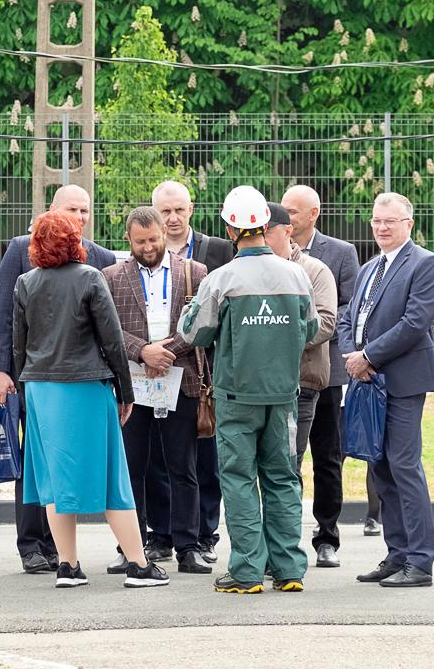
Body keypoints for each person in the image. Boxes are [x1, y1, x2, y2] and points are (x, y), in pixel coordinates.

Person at [12, 210, 168, 589]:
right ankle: (138, 564)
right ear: (74, 241)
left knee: (53, 480)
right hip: (85, 386)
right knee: (112, 475)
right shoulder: (90, 277)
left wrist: (25, 389)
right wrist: (125, 392)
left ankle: (67, 565)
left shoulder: (25, 283)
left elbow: (19, 345)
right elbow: (112, 341)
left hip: (40, 389)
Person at [178, 186, 317, 594]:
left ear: (230, 228)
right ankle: (289, 569)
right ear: (264, 226)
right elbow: (309, 329)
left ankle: (246, 571)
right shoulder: (296, 274)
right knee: (283, 478)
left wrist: (191, 306)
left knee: (238, 479)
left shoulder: (223, 279)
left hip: (236, 396)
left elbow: (194, 332)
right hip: (284, 395)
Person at [0, 184, 115, 573]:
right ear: (51, 211)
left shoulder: (101, 258)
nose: (79, 217)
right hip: (34, 380)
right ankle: (32, 544)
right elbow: (4, 313)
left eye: (85, 210)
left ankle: (64, 552)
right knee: (35, 462)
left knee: (72, 463)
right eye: (71, 210)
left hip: (83, 382)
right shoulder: (20, 249)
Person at [338, 192, 434, 590]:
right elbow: (348, 316)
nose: (382, 227)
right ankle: (397, 554)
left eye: (390, 221)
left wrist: (368, 356)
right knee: (380, 467)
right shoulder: (369, 267)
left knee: (404, 466)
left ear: (408, 224)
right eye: (377, 221)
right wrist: (352, 355)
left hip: (401, 381)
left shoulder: (425, 263)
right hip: (366, 380)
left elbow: (414, 323)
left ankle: (420, 561)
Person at [103, 208, 211, 575]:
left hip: (179, 381)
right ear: (128, 240)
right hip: (133, 385)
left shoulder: (194, 272)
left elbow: (201, 323)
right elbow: (108, 327)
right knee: (132, 468)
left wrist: (166, 352)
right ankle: (131, 547)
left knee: (183, 467)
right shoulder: (111, 277)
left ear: (164, 233)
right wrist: (142, 351)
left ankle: (188, 546)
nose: (148, 247)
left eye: (153, 240)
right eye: (140, 241)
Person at [149, 179, 231, 563]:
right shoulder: (145, 251)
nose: (173, 218)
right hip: (152, 370)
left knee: (204, 454)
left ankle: (204, 533)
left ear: (191, 209)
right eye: (165, 211)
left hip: (202, 368)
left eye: (179, 210)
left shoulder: (216, 250)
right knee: (159, 457)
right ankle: (161, 534)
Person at [281, 184, 363, 560]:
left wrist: (306, 324)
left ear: (313, 213)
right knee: (286, 459)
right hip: (283, 374)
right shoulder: (273, 251)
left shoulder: (341, 254)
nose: (286, 218)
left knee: (328, 457)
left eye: (293, 212)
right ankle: (286, 537)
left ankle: (327, 537)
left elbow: (350, 307)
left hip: (327, 372)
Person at [264, 202, 337, 473]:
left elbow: (326, 322)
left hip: (300, 382)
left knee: (288, 465)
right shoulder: (249, 269)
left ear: (287, 231)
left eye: (266, 232)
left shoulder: (315, 271)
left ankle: (287, 518)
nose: (259, 239)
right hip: (257, 384)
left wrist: (272, 341)